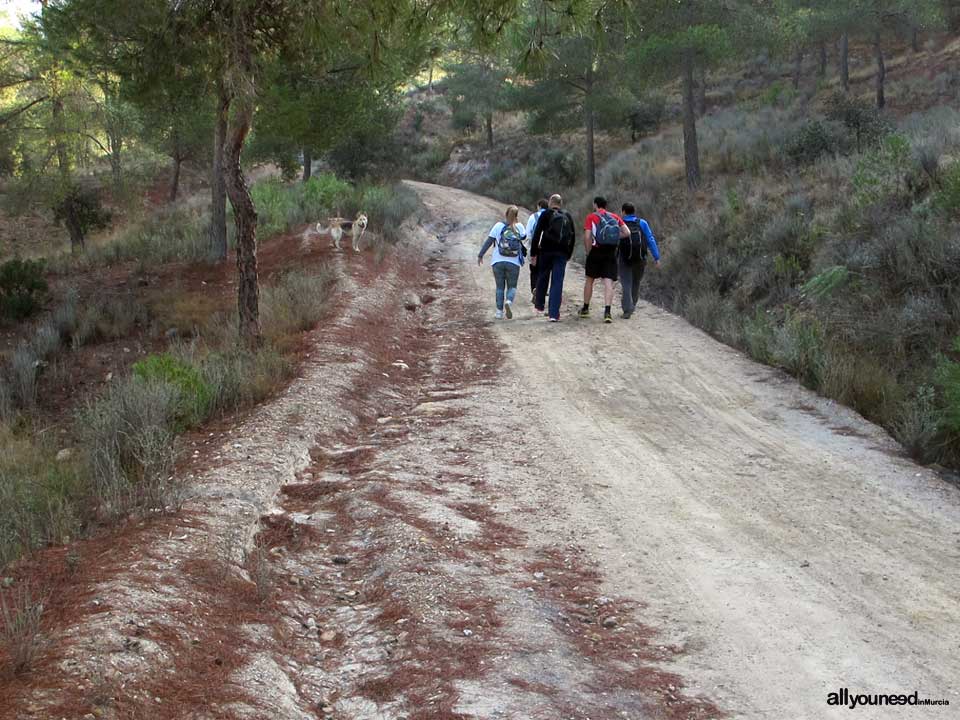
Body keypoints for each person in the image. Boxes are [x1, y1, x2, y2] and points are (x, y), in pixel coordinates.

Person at [580, 196, 629, 324]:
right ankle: (607, 312)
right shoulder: (614, 217)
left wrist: (588, 251)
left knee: (590, 279)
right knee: (608, 282)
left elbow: (587, 236)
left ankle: (585, 308)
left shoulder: (591, 217)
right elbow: (627, 232)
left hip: (596, 251)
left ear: (595, 204)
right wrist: (615, 238)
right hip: (611, 252)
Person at [530, 194, 576, 322]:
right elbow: (572, 237)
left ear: (550, 202)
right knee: (557, 282)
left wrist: (533, 254)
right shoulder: (567, 216)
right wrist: (569, 254)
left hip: (546, 251)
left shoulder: (546, 214)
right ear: (560, 203)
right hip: (562, 253)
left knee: (543, 276)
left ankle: (539, 305)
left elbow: (537, 234)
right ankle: (554, 314)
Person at [477, 205, 526, 320]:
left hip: (498, 261)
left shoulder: (498, 226)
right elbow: (524, 237)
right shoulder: (519, 226)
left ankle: (499, 312)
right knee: (512, 286)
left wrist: (480, 255)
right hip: (514, 262)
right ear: (516, 216)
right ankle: (508, 301)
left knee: (500, 287)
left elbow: (489, 241)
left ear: (505, 214)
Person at [618, 202, 661, 319]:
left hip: (624, 258)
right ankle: (633, 305)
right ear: (634, 211)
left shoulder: (620, 224)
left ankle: (627, 309)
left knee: (626, 283)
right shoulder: (642, 223)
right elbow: (650, 240)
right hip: (640, 259)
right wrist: (656, 257)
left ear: (623, 212)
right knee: (636, 282)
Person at [526, 198, 549, 302]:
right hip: (547, 248)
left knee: (534, 270)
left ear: (539, 206)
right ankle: (542, 292)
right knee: (544, 271)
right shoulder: (550, 216)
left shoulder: (533, 217)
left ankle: (534, 289)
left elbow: (528, 234)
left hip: (535, 247)